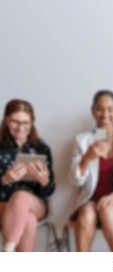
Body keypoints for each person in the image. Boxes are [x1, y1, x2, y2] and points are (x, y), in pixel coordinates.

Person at [68, 90, 113, 252]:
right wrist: (87, 157)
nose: (105, 114)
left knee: (107, 209)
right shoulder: (82, 140)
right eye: (100, 109)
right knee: (87, 213)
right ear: (93, 111)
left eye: (110, 109)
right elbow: (75, 180)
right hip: (90, 201)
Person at [0, 99, 55, 252]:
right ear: (6, 120)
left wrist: (44, 181)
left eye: (26, 123)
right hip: (3, 205)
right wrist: (4, 180)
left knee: (21, 196)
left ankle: (7, 251)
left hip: (36, 203)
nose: (20, 128)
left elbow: (50, 190)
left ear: (32, 123)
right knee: (28, 219)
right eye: (15, 122)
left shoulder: (42, 148)